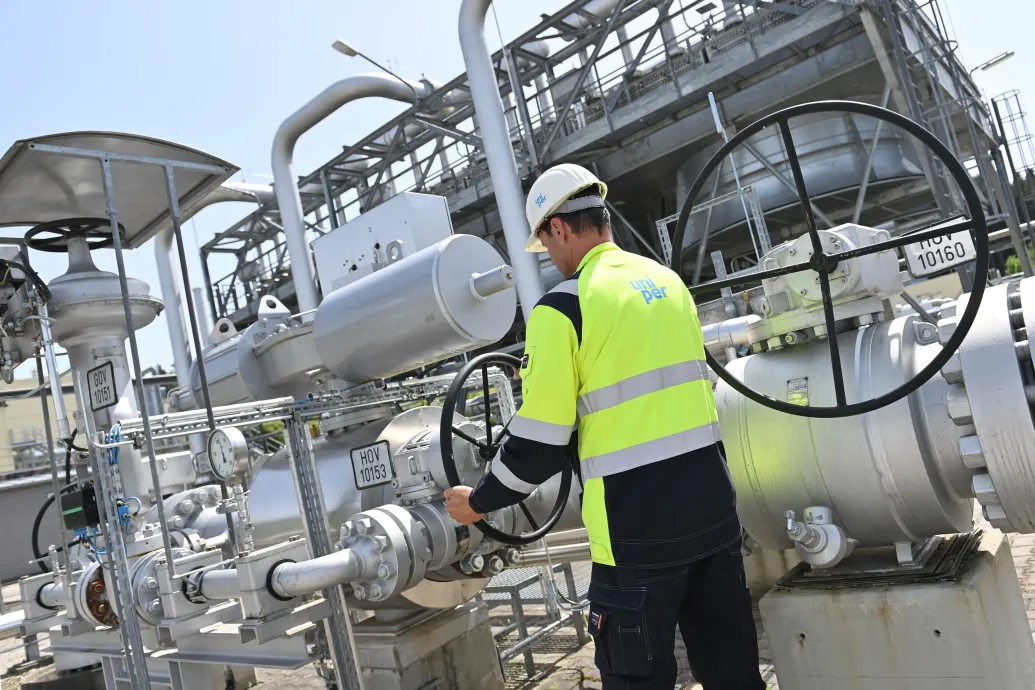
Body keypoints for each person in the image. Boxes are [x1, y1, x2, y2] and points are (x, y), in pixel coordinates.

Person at [445, 163, 766, 690]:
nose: (551, 258)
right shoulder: (668, 283)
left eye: (546, 245)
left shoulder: (562, 309)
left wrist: (479, 501)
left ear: (559, 228)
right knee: (734, 675)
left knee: (635, 678)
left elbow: (540, 440)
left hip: (636, 534)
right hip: (714, 514)